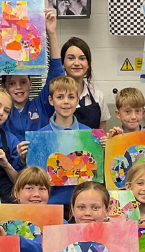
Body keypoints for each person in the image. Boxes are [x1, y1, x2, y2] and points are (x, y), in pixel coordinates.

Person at [16, 75, 107, 205]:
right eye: (60, 97)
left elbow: (98, 173)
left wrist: (105, 150)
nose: (66, 102)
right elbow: (33, 177)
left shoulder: (90, 135)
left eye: (71, 97)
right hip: (50, 204)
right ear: (51, 100)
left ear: (77, 100)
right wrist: (24, 159)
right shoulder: (40, 137)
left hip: (83, 204)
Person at [0, 8, 63, 143]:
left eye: (23, 82)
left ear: (31, 84)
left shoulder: (41, 105)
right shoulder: (0, 111)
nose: (18, 87)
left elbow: (57, 74)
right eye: (12, 83)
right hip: (8, 164)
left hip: (40, 163)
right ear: (4, 87)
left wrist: (51, 33)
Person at [60, 38, 108, 129]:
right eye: (71, 58)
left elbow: (102, 128)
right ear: (62, 63)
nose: (77, 63)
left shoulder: (98, 96)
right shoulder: (56, 96)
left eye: (82, 58)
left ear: (88, 64)